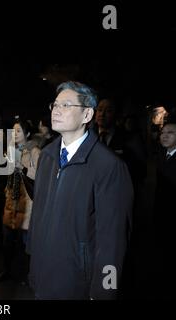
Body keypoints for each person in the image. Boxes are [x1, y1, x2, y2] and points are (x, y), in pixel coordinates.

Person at [26, 81, 133, 300]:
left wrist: (104, 291)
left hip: (76, 285)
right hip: (42, 278)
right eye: (55, 105)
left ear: (86, 115)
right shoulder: (47, 156)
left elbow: (112, 240)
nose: (56, 110)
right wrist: (33, 266)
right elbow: (38, 216)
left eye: (66, 105)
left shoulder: (109, 166)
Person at [0, 120, 40, 285]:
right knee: (7, 241)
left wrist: (23, 168)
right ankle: (7, 270)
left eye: (18, 131)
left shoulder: (35, 152)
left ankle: (28, 275)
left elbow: (39, 180)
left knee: (26, 244)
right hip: (11, 202)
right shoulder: (11, 151)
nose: (14, 135)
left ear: (27, 134)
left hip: (27, 204)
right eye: (13, 132)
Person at [153, 117, 176, 298]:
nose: (164, 136)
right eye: (163, 132)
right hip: (160, 212)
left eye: (170, 133)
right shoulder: (161, 155)